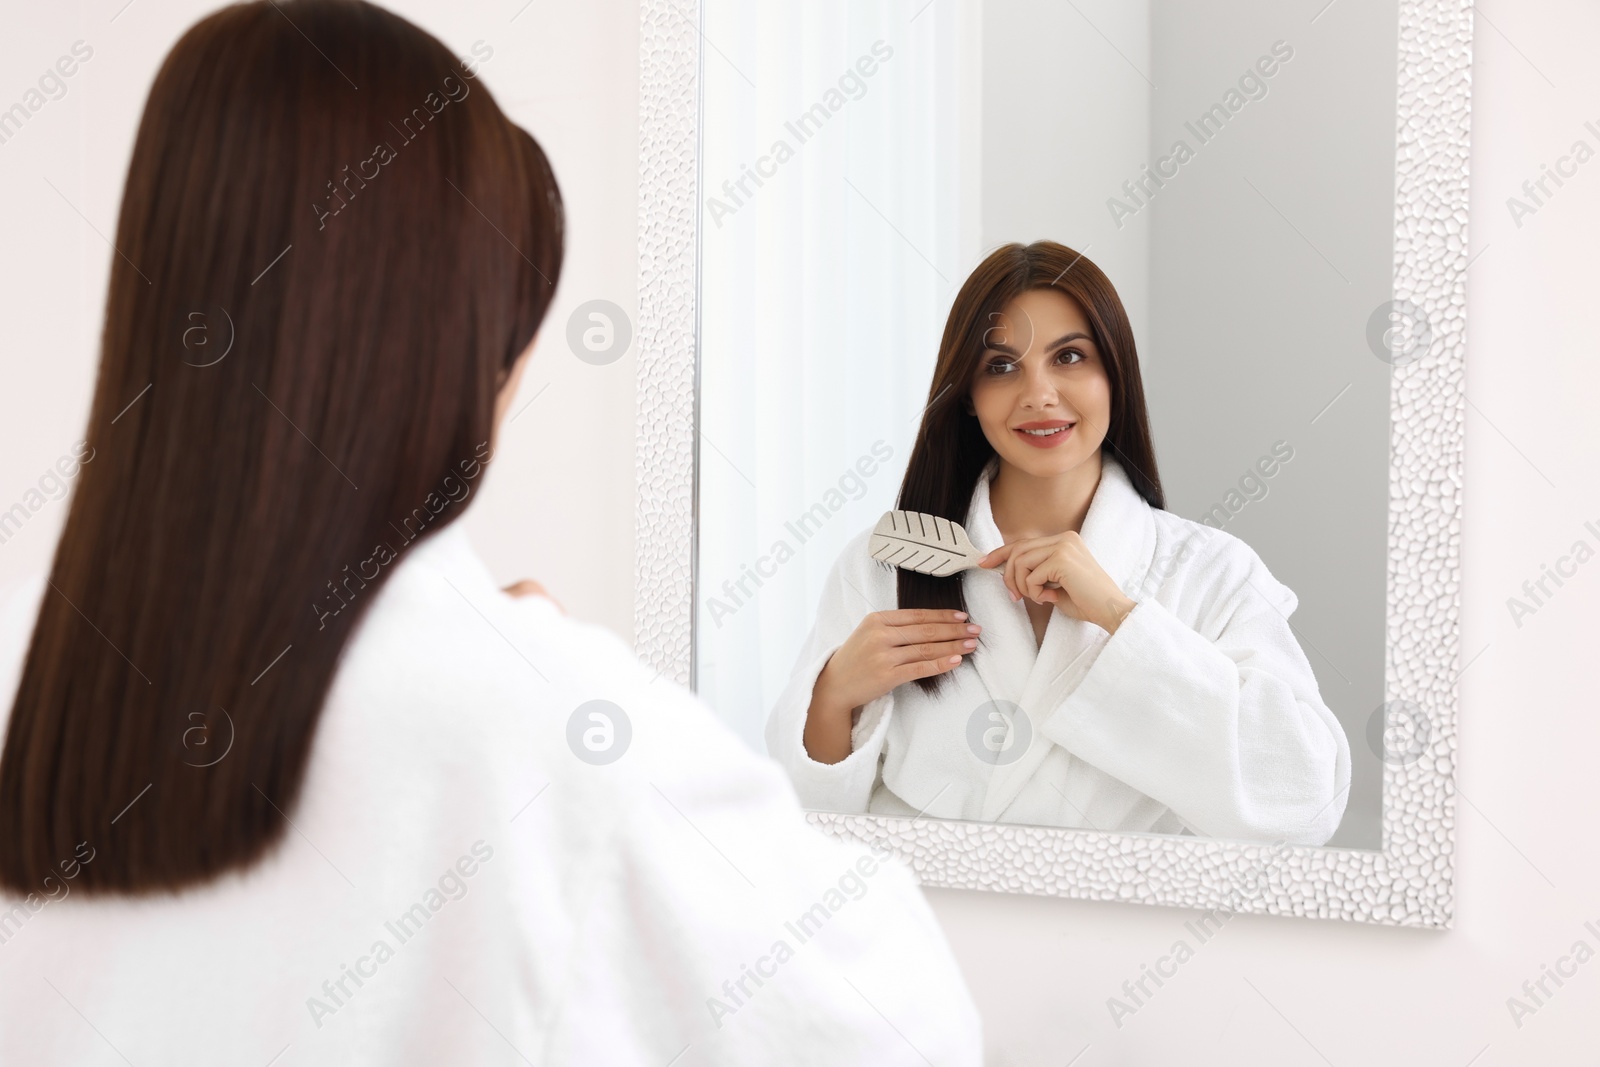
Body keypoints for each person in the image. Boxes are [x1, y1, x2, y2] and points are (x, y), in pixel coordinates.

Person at [0, 3, 981, 1063]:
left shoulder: (30, 676)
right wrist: (531, 675)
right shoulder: (548, 734)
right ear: (460, 352)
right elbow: (904, 1028)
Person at [766, 241, 1351, 845]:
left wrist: (1119, 616)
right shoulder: (881, 568)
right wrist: (833, 696)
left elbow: (1302, 804)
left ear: (1115, 374)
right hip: (928, 923)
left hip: (1124, 932)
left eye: (1069, 356)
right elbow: (797, 832)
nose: (1038, 394)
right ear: (967, 392)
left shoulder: (1213, 575)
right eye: (1000, 366)